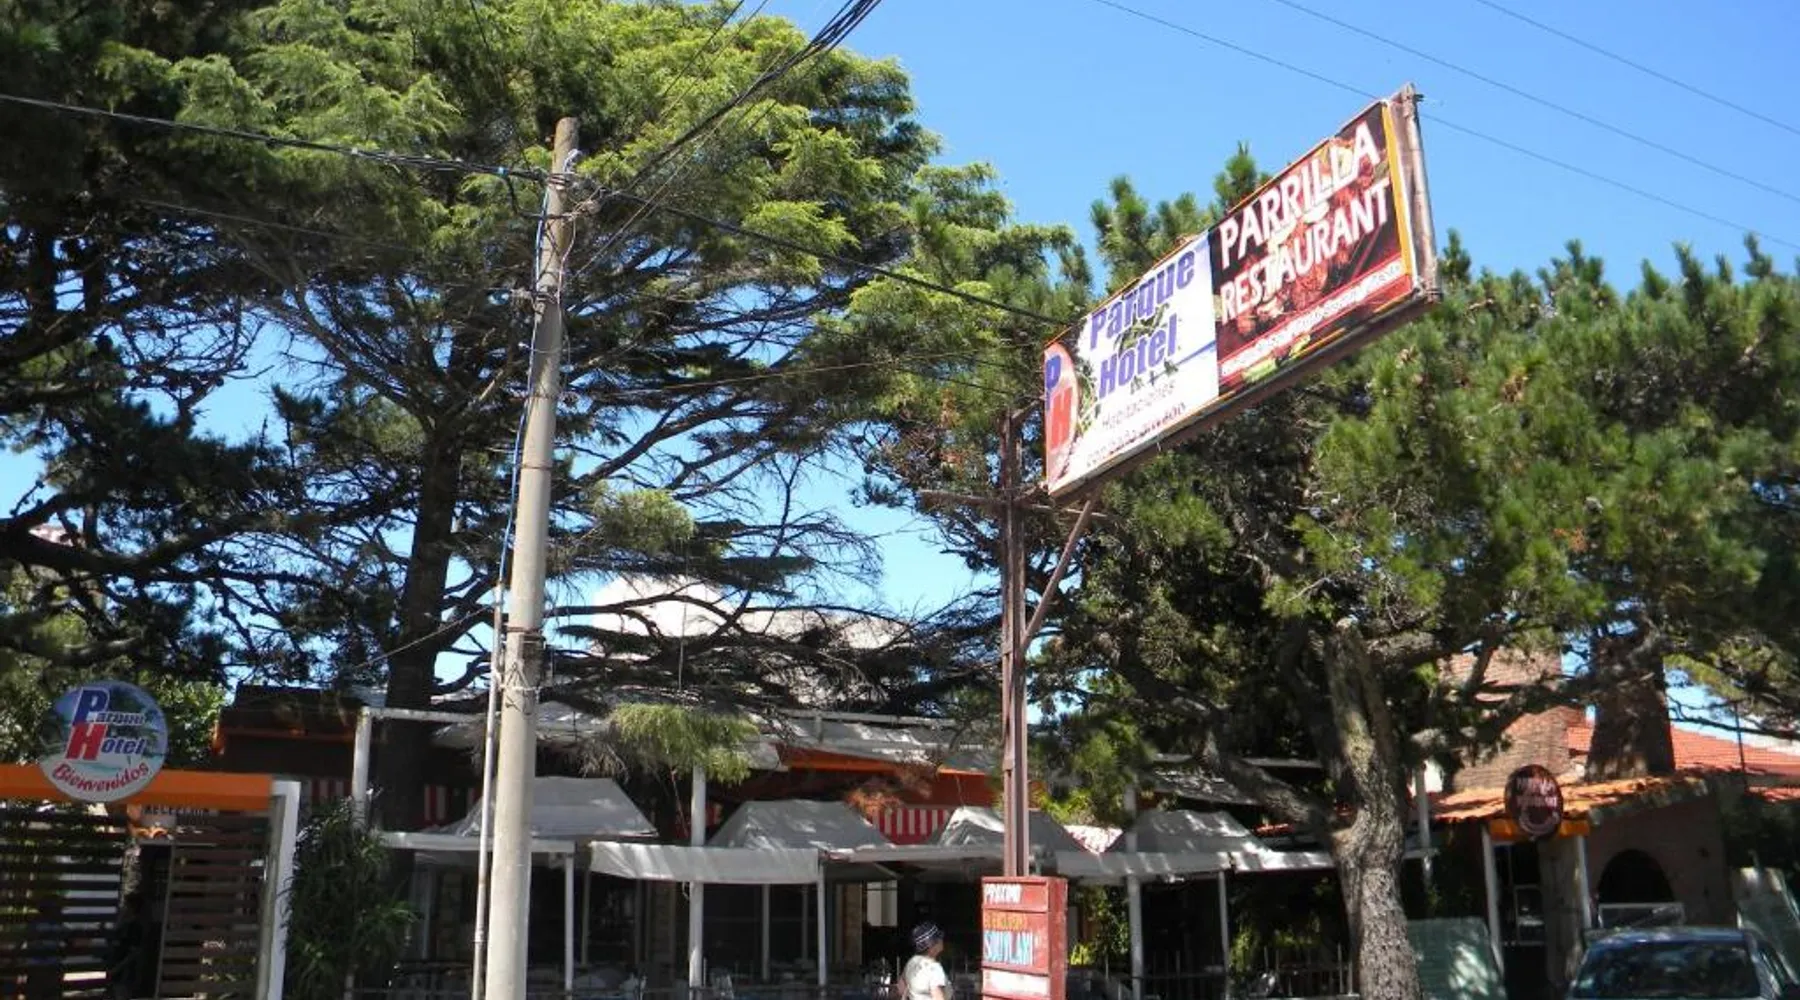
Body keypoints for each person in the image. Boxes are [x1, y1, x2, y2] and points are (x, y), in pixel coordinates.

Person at [902, 922, 949, 1000]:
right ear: (931, 946)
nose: (941, 940)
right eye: (938, 939)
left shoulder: (912, 962)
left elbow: (901, 988)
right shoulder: (934, 968)